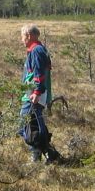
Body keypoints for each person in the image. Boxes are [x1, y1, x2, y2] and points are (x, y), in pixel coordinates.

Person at [18, 24, 62, 164]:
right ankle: (47, 154)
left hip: (34, 95)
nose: (22, 40)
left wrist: (37, 92)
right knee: (34, 125)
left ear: (29, 36)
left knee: (25, 125)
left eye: (22, 36)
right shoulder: (36, 50)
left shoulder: (37, 51)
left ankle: (44, 154)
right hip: (33, 94)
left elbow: (39, 73)